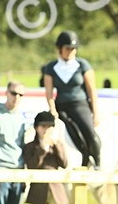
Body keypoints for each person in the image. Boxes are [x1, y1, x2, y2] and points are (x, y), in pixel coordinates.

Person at [23, 111, 83, 204]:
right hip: (39, 188)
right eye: (43, 126)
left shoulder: (58, 144)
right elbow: (32, 165)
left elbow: (64, 163)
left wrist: (56, 145)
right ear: (37, 128)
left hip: (56, 188)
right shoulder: (30, 146)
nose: (47, 129)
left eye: (50, 126)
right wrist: (42, 148)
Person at [42, 31, 101, 168]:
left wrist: (96, 112)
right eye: (67, 48)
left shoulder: (83, 65)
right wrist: (52, 109)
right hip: (61, 105)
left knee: (89, 132)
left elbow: (92, 90)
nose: (70, 51)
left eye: (73, 49)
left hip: (79, 105)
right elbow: (49, 93)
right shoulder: (50, 68)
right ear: (60, 49)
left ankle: (97, 160)